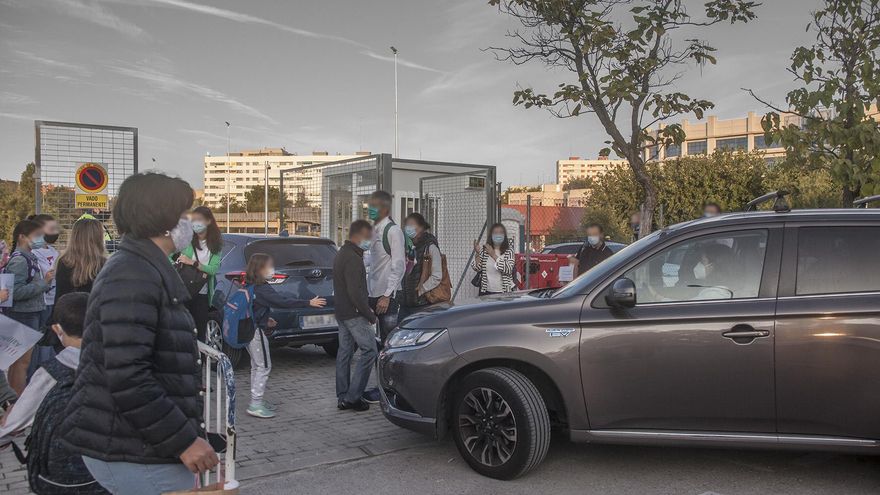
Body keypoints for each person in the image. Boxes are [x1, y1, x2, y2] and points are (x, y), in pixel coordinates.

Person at [61, 172, 218, 495]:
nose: (189, 222)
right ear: (163, 220)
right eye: (184, 213)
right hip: (137, 451)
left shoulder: (144, 267)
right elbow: (128, 375)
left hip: (142, 443)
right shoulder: (132, 275)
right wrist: (184, 440)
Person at [243, 253, 326, 419]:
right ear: (260, 269)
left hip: (249, 330)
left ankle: (256, 400)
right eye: (269, 266)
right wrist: (308, 303)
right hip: (256, 333)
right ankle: (255, 404)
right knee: (264, 366)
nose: (272, 269)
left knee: (256, 366)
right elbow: (283, 302)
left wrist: (266, 320)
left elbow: (254, 308)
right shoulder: (262, 288)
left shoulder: (251, 285)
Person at [3, 219, 55, 395]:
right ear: (22, 237)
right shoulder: (20, 260)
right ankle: (17, 401)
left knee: (20, 362)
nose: (40, 239)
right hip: (23, 315)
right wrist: (43, 283)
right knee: (22, 363)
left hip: (29, 314)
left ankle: (14, 399)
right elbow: (16, 292)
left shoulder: (28, 257)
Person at [334, 220, 378, 412]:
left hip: (342, 312)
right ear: (358, 236)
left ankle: (343, 397)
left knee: (344, 352)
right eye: (368, 237)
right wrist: (369, 314)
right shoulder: (353, 258)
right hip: (354, 313)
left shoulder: (342, 253)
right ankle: (353, 397)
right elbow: (355, 292)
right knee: (370, 350)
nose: (370, 241)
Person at [176, 206, 222, 342]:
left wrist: (193, 263)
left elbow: (213, 269)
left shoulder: (216, 245)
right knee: (182, 330)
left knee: (200, 333)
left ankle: (199, 355)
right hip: (183, 290)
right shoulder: (187, 239)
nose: (196, 223)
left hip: (201, 293)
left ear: (208, 221)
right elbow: (168, 255)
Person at [366, 190, 406, 344]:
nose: (370, 209)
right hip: (373, 293)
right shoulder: (374, 230)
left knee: (388, 340)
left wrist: (387, 295)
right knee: (374, 340)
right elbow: (371, 258)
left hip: (387, 297)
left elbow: (399, 266)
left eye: (374, 206)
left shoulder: (393, 231)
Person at [27, 214, 61, 378]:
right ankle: (35, 376)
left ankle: (48, 376)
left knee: (50, 341)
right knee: (39, 342)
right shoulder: (32, 253)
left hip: (54, 301)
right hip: (41, 302)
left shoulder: (54, 252)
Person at [399, 213, 443, 320]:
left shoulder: (430, 247)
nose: (408, 228)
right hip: (405, 304)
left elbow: (437, 276)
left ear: (421, 227)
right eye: (407, 225)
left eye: (412, 225)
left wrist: (420, 291)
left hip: (422, 305)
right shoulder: (408, 246)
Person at [53, 218, 106, 305]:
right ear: (97, 238)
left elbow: (60, 295)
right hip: (94, 311)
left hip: (67, 310)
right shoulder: (103, 264)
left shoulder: (64, 261)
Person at [471, 223, 515, 295]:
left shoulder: (509, 251)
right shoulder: (485, 250)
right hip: (486, 291)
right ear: (491, 236)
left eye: (501, 232)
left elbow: (508, 269)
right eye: (495, 233)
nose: (498, 235)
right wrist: (478, 253)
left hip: (504, 291)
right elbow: (477, 268)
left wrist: (493, 255)